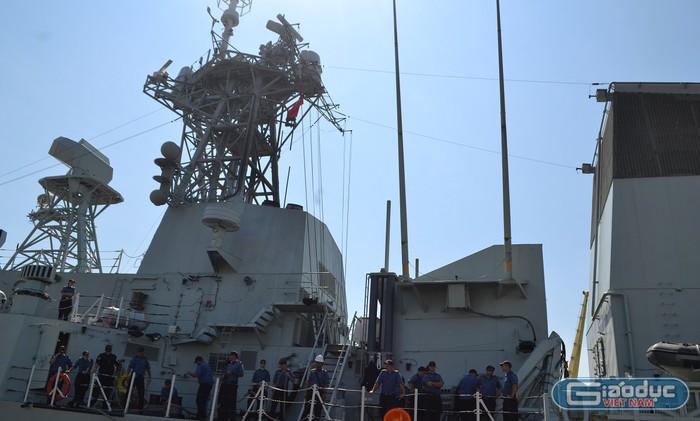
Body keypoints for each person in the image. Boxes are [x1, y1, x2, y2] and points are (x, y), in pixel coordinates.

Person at [91, 344, 121, 408]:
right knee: (96, 390)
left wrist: (116, 374)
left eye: (109, 351)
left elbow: (119, 365)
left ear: (111, 351)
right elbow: (97, 364)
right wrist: (93, 371)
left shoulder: (114, 357)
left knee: (107, 392)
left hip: (109, 378)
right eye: (107, 351)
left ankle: (105, 406)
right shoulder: (101, 356)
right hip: (101, 376)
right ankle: (91, 404)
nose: (108, 352)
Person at [302, 355, 330, 420]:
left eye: (319, 362)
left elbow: (326, 384)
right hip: (310, 392)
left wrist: (325, 393)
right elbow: (308, 382)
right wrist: (306, 392)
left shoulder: (324, 373)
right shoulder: (312, 372)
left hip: (319, 393)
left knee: (317, 410)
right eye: (317, 362)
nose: (317, 364)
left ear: (322, 363)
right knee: (307, 409)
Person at [219, 351, 244, 421]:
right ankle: (224, 417)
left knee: (231, 402)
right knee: (223, 401)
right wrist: (222, 376)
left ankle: (232, 418)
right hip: (225, 384)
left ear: (234, 356)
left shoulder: (239, 364)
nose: (229, 357)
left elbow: (241, 374)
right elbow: (223, 372)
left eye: (230, 356)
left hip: (232, 384)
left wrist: (232, 372)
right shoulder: (227, 364)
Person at [187, 355, 214, 420]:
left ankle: (200, 415)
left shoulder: (201, 365)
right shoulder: (207, 365)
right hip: (209, 385)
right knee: (203, 400)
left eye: (196, 362)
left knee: (199, 400)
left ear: (198, 361)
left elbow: (196, 375)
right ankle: (203, 415)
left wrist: (189, 373)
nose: (196, 364)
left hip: (204, 384)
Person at [127, 346, 151, 413]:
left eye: (141, 352)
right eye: (139, 351)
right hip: (133, 376)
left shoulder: (145, 359)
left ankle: (140, 410)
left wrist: (150, 377)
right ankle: (124, 407)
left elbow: (148, 369)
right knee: (129, 391)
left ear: (143, 352)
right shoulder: (134, 359)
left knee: (141, 393)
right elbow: (129, 368)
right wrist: (127, 376)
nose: (140, 353)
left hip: (140, 377)